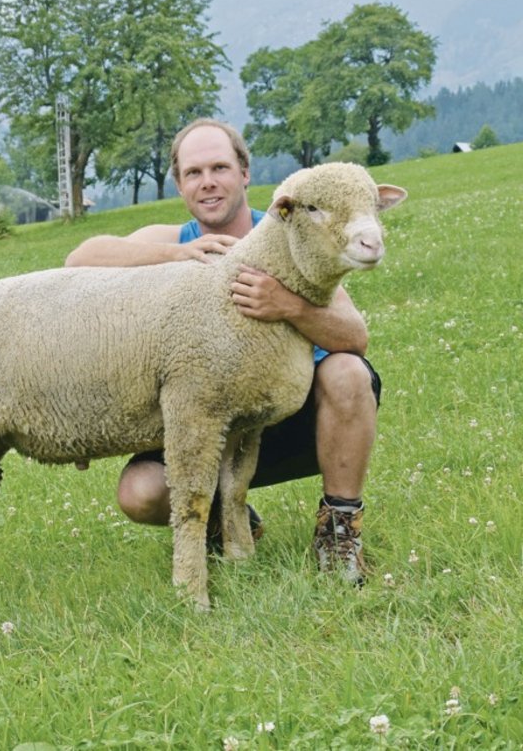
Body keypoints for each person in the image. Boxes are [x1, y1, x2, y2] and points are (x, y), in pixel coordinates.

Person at [65, 118, 383, 584]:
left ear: (245, 173)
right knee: (139, 492)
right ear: (179, 185)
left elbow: (354, 337)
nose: (208, 181)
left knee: (348, 372)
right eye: (194, 173)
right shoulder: (174, 240)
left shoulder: (289, 226)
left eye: (220, 168)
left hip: (290, 421)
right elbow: (79, 260)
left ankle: (338, 531)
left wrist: (289, 305)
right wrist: (178, 254)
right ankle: (228, 517)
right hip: (201, 426)